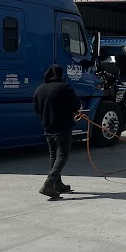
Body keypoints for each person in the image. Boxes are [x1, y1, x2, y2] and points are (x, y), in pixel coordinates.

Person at [33, 64, 81, 198]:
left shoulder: (40, 89)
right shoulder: (64, 88)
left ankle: (57, 184)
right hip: (62, 127)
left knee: (53, 155)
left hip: (47, 127)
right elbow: (76, 105)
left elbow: (37, 109)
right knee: (62, 155)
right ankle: (49, 184)